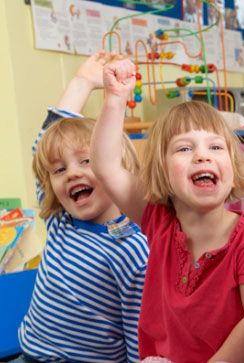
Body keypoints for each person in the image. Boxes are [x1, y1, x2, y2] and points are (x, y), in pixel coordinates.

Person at [91, 58, 244, 362]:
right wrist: (115, 100)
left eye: (216, 147)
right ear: (163, 170)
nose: (202, 157)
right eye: (184, 148)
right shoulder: (159, 221)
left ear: (232, 166)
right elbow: (105, 166)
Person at [16, 50, 149, 362]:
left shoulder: (133, 247)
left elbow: (139, 330)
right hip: (29, 355)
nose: (71, 173)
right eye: (60, 171)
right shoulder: (60, 220)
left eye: (86, 161)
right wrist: (82, 83)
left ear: (115, 167)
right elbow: (44, 145)